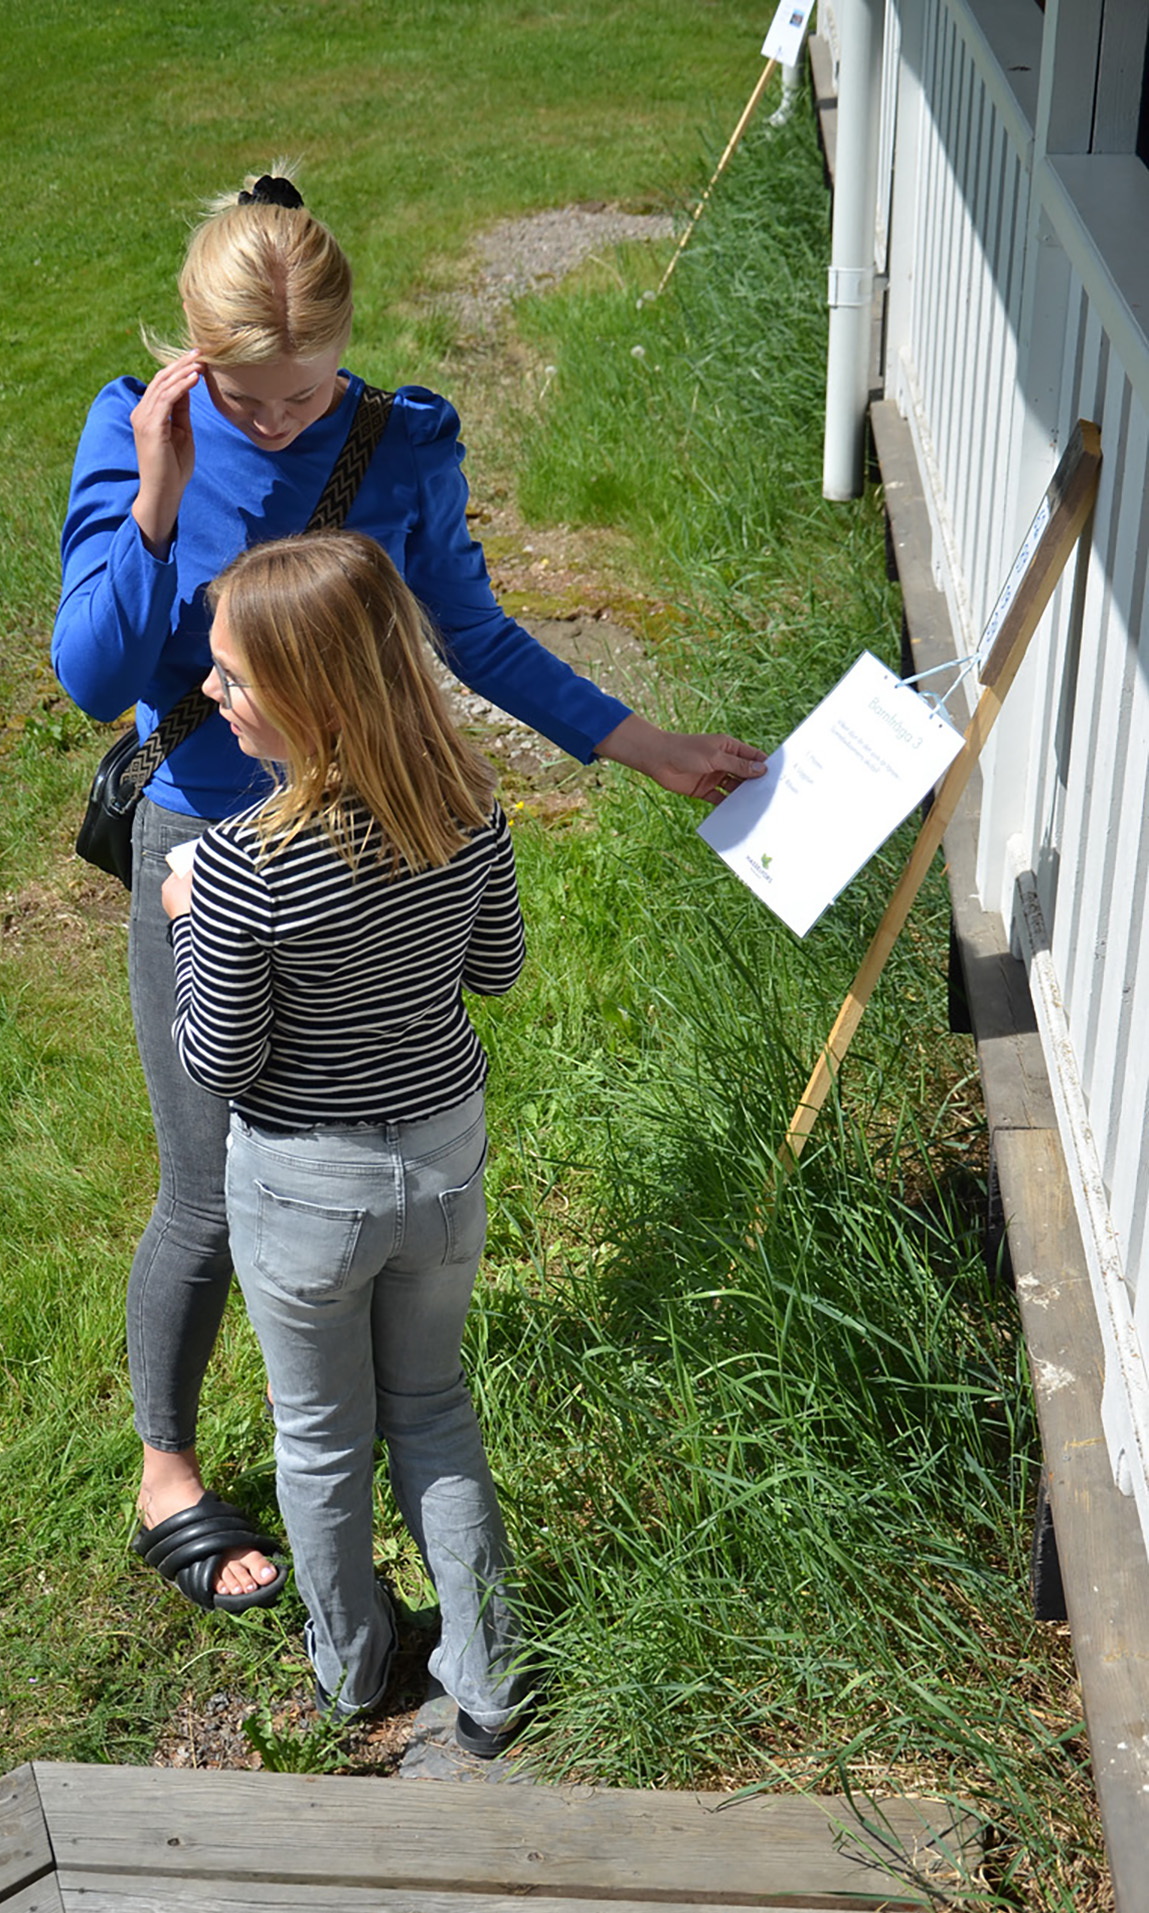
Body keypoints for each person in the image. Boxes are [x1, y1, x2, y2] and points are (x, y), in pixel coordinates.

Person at [52, 165, 766, 1606]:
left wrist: (645, 746)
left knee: (363, 1136)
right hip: (208, 843)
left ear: (343, 351)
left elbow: (478, 641)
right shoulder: (143, 437)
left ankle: (366, 1410)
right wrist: (161, 497)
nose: (275, 420)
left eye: (301, 396)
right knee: (207, 1180)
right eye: (246, 398)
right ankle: (168, 1467)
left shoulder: (401, 442)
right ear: (193, 354)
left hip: (371, 842)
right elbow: (93, 678)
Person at [160, 531, 528, 1750]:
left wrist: (180, 924)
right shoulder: (466, 805)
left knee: (320, 1437)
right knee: (431, 1408)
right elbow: (496, 969)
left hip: (305, 1184)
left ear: (311, 695)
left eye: (232, 675)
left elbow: (219, 1061)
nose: (210, 690)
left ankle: (353, 1665)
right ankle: (488, 1681)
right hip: (441, 1156)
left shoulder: (235, 866)